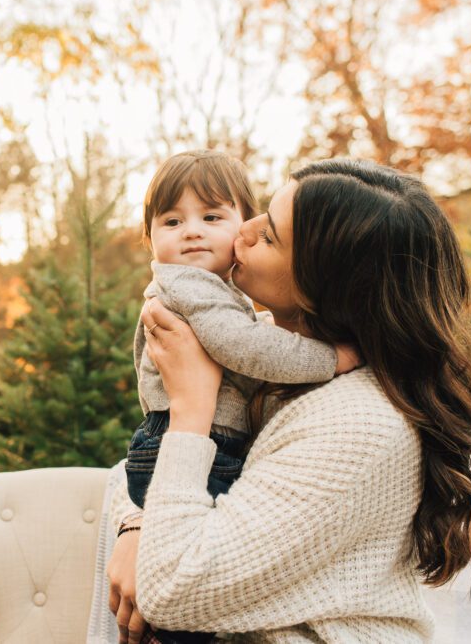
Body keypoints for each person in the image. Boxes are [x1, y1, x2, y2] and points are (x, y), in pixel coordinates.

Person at [107, 159, 471, 644]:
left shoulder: (360, 424)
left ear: (325, 286)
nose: (241, 231)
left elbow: (175, 591)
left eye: (268, 236)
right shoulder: (265, 356)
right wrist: (137, 523)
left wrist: (192, 409)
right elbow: (156, 454)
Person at [124, 151, 359, 644]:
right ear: (149, 238)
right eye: (172, 221)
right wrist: (330, 360)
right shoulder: (188, 287)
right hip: (194, 444)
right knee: (190, 590)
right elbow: (244, 346)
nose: (192, 231)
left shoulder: (213, 290)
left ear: (240, 226)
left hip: (187, 441)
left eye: (211, 217)